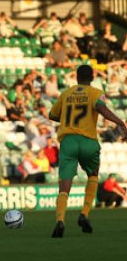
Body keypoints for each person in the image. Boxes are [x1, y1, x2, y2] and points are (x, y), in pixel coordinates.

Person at [49, 65, 127, 238]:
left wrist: (64, 119)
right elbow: (101, 109)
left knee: (64, 186)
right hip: (88, 142)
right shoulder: (95, 93)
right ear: (92, 78)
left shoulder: (66, 93)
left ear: (76, 78)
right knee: (93, 175)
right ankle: (84, 214)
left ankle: (60, 220)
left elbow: (52, 114)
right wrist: (120, 122)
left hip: (68, 141)